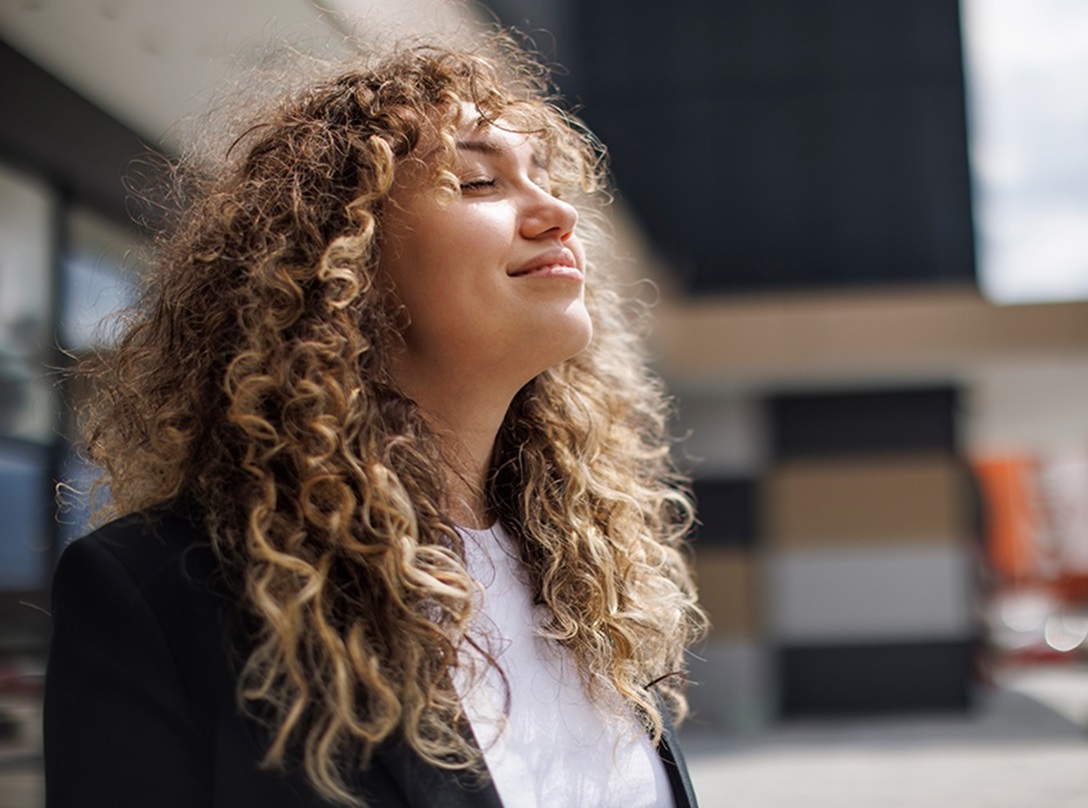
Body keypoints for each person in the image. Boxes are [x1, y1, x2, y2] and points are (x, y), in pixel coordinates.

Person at [43, 32, 704, 808]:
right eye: (481, 181)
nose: (558, 212)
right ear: (343, 257)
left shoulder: (586, 586)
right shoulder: (163, 595)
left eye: (550, 180)